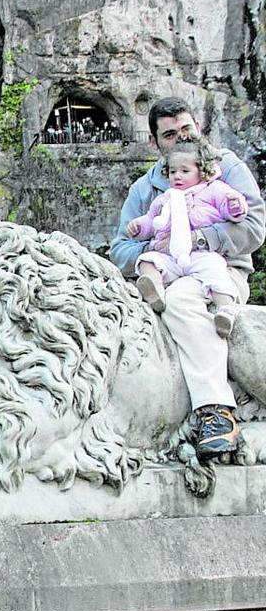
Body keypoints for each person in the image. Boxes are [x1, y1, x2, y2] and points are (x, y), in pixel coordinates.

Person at [112, 97, 266, 458]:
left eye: (186, 129)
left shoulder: (225, 167)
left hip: (220, 271)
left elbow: (255, 226)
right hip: (162, 274)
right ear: (154, 143)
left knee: (182, 298)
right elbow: (119, 248)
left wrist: (198, 240)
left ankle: (217, 412)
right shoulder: (144, 189)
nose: (181, 138)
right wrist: (159, 250)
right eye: (170, 135)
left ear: (197, 125)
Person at [125, 136, 248, 337]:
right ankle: (155, 289)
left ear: (202, 170)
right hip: (171, 256)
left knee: (216, 272)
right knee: (147, 260)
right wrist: (139, 226)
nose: (177, 176)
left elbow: (230, 210)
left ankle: (226, 310)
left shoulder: (213, 189)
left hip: (200, 253)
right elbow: (151, 219)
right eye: (172, 172)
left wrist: (235, 206)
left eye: (184, 171)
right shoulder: (166, 197)